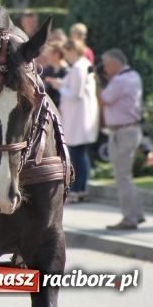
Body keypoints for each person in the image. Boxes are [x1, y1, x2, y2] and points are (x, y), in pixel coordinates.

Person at [45, 39, 99, 204]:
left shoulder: (78, 68)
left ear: (73, 50)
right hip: (79, 117)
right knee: (81, 155)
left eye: (66, 52)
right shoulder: (82, 65)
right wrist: (61, 84)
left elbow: (76, 94)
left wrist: (59, 86)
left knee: (77, 155)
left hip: (78, 118)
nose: (65, 56)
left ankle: (78, 190)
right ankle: (81, 189)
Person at [99, 48, 146, 230]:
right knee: (126, 176)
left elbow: (104, 99)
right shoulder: (133, 75)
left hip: (122, 132)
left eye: (106, 65)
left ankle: (129, 219)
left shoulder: (119, 80)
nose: (104, 68)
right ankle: (136, 214)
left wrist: (97, 83)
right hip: (130, 130)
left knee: (122, 177)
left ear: (113, 64)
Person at [41, 40, 68, 108]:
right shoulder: (51, 70)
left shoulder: (66, 72)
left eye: (49, 53)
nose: (47, 57)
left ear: (56, 55)